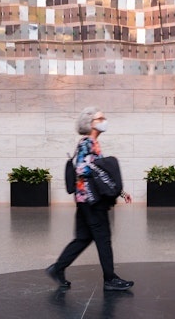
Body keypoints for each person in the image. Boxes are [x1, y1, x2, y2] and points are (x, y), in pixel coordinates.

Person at [46, 106, 134, 291]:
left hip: (84, 199)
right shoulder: (87, 142)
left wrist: (120, 191)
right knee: (103, 238)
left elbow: (101, 176)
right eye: (100, 118)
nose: (104, 121)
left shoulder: (92, 143)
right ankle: (110, 279)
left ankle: (57, 268)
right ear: (90, 123)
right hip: (92, 201)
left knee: (83, 238)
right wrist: (101, 165)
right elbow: (82, 169)